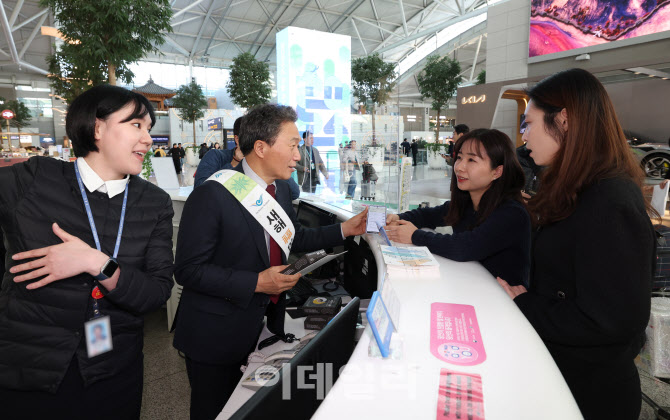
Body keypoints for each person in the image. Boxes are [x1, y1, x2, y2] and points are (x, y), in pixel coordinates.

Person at [172, 104, 368, 420]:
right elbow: (187, 270)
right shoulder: (213, 195)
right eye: (292, 145)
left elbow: (294, 238)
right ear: (261, 148)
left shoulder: (277, 191)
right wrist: (257, 282)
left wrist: (346, 228)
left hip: (263, 327)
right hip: (216, 335)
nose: (298, 155)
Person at [0, 85, 174, 419]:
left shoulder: (153, 203)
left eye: (149, 129)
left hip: (113, 372)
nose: (148, 139)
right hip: (30, 369)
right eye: (136, 125)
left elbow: (156, 292)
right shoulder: (36, 179)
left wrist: (97, 263)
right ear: (97, 127)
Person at [496, 68, 655, 420]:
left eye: (529, 123)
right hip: (565, 376)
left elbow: (612, 320)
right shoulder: (577, 190)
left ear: (564, 120)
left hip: (591, 394)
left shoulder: (610, 200)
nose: (524, 137)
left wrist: (525, 303)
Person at [385, 129, 530, 286]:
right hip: (470, 287)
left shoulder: (512, 213)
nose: (459, 167)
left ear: (497, 171)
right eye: (459, 157)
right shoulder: (467, 201)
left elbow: (465, 246)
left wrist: (415, 236)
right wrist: (400, 218)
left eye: (471, 160)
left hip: (503, 303)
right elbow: (428, 215)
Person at [194, 116, 300, 199]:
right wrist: (235, 163)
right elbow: (200, 191)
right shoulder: (217, 156)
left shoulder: (265, 162)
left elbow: (294, 193)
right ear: (237, 139)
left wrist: (276, 168)